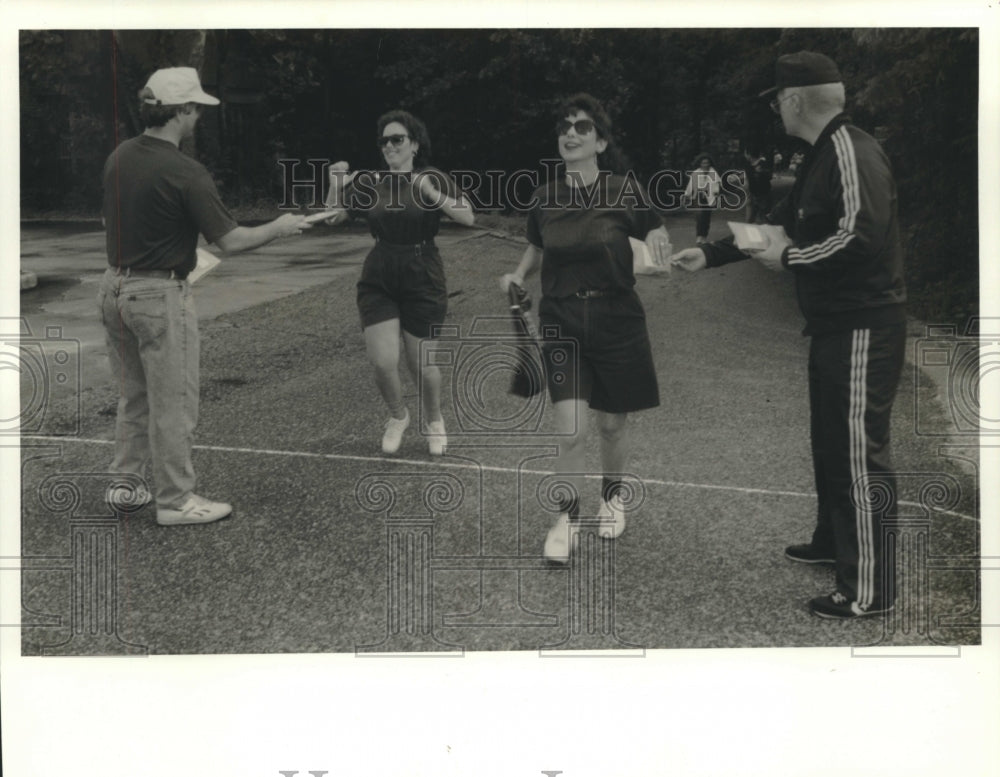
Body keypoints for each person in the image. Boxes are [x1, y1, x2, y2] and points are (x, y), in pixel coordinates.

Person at [671, 51, 907, 619]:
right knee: (830, 443)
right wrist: (708, 252)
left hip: (862, 324)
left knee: (857, 453)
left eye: (778, 98)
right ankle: (834, 542)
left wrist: (793, 258)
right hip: (835, 325)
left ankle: (869, 591)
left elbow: (860, 236)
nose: (776, 107)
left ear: (797, 99)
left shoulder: (850, 148)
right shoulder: (820, 154)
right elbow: (772, 225)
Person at [100, 67, 312, 526]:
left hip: (114, 287)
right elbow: (231, 242)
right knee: (173, 402)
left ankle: (126, 482)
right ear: (180, 112)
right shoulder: (186, 171)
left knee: (134, 395)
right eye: (194, 108)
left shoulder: (119, 156)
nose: (197, 116)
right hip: (157, 296)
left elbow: (132, 223)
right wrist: (280, 226)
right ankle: (175, 501)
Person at [499, 93, 673, 563]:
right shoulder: (544, 198)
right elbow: (538, 250)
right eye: (564, 127)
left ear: (601, 141)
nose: (570, 134)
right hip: (563, 320)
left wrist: (657, 248)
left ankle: (612, 497)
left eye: (582, 127)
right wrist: (518, 275)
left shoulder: (625, 190)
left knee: (612, 426)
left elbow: (655, 234)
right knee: (571, 430)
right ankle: (566, 519)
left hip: (618, 319)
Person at [321, 110, 475, 455]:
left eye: (397, 139)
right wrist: (335, 186)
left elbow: (467, 216)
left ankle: (434, 420)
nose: (389, 145)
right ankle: (398, 416)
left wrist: (430, 193)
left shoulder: (432, 177)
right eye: (384, 140)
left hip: (423, 273)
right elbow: (333, 218)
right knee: (382, 360)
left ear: (414, 145)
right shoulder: (370, 182)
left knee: (421, 363)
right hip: (380, 273)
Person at [683, 153, 721, 244]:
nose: (705, 165)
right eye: (703, 163)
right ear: (700, 164)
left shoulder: (713, 172)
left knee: (706, 217)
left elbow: (716, 185)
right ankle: (699, 236)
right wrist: (686, 195)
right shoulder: (695, 173)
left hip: (709, 197)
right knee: (699, 215)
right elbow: (690, 185)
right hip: (698, 196)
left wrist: (716, 195)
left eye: (707, 163)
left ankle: (704, 236)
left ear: (710, 163)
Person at [743, 152, 772, 223]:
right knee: (749, 219)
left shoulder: (763, 164)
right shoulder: (748, 165)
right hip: (751, 194)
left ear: (749, 154)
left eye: (745, 153)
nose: (744, 155)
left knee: (763, 218)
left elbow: (769, 177)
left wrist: (761, 173)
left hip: (761, 195)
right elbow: (747, 178)